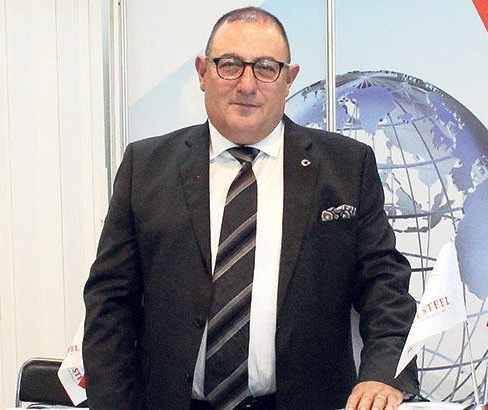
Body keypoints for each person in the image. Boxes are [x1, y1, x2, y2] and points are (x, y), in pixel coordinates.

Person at [83, 7, 418, 410]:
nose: (247, 84)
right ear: (202, 72)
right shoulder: (147, 167)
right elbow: (110, 302)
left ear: (289, 79)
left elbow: (385, 286)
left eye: (265, 68)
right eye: (230, 65)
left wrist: (383, 373)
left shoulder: (347, 167)